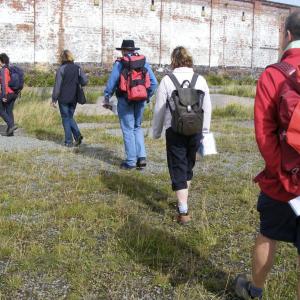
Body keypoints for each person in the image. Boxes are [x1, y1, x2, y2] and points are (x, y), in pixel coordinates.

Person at [235, 12, 300, 300]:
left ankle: (255, 292)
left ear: (286, 34)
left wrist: (284, 177)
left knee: (268, 234)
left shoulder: (274, 73)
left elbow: (264, 135)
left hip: (281, 179)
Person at [152, 46, 212, 225]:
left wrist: (156, 132)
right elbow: (207, 107)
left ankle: (183, 209)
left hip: (175, 130)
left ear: (173, 61)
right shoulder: (200, 79)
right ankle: (183, 200)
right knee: (188, 165)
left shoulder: (167, 81)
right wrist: (205, 131)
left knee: (177, 166)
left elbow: (159, 109)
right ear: (189, 60)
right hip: (195, 130)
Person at [103, 39, 158, 169]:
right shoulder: (143, 62)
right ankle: (141, 157)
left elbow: (112, 83)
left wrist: (107, 96)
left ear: (123, 51)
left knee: (128, 130)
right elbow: (154, 83)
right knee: (137, 127)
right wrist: (147, 96)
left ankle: (131, 161)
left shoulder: (120, 64)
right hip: (140, 100)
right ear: (134, 50)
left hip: (125, 100)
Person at [52, 50, 88, 147]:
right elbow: (85, 81)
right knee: (69, 117)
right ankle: (77, 136)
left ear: (62, 58)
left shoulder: (61, 69)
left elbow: (57, 85)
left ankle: (69, 141)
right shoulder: (78, 68)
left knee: (65, 118)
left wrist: (54, 99)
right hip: (74, 97)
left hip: (63, 97)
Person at [0, 53, 18, 136]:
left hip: (8, 93)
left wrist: (4, 96)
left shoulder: (4, 70)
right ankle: (11, 132)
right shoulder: (10, 68)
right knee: (9, 111)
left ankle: (11, 125)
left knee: (1, 110)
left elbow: (4, 84)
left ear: (1, 61)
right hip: (14, 93)